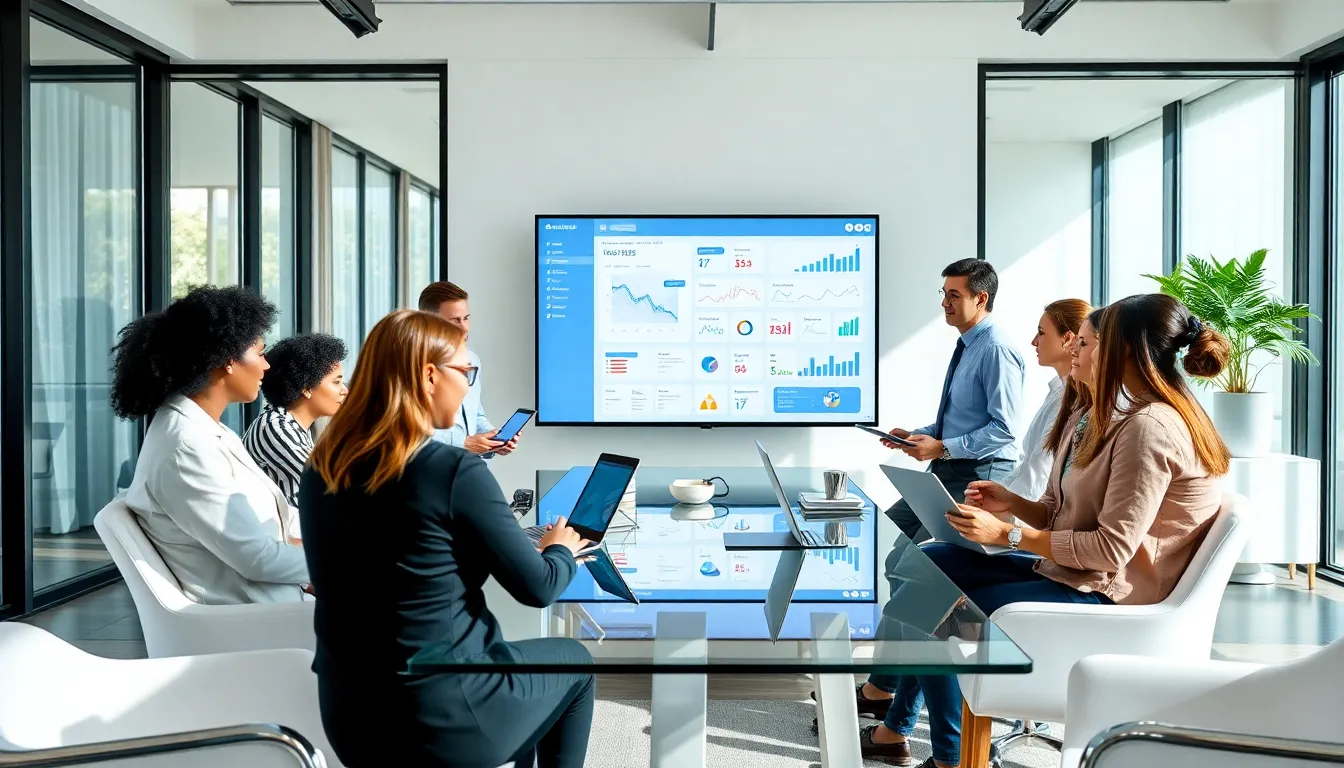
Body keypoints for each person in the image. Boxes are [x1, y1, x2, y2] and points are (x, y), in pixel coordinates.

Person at [858, 294, 1232, 768]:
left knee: (936, 607)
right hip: (1072, 571)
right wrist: (1014, 505)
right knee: (926, 568)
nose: (1077, 348)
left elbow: (1109, 551)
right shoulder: (1103, 416)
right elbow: (1061, 511)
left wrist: (1007, 535)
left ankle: (951, 754)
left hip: (1109, 596)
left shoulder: (1149, 428)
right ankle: (914, 728)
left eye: (1089, 342)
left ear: (1122, 352)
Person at [300, 309, 594, 768]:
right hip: (440, 715)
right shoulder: (454, 471)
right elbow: (538, 588)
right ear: (430, 375)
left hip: (350, 716)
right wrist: (560, 548)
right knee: (575, 664)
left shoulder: (323, 467)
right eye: (466, 371)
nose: (469, 385)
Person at [111, 286, 308, 605]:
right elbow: (258, 559)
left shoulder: (204, 429)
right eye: (260, 352)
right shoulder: (187, 446)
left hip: (278, 601)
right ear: (229, 359)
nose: (267, 366)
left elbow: (276, 521)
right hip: (259, 620)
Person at [882, 259, 1026, 542]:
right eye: (944, 294)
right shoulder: (968, 345)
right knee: (886, 535)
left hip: (978, 477)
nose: (945, 303)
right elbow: (964, 417)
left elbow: (1004, 428)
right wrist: (918, 437)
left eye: (954, 295)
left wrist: (942, 448)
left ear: (981, 298)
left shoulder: (995, 350)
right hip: (947, 471)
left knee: (917, 562)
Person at [997, 298, 1090, 502]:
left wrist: (1004, 512)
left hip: (1036, 517)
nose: (1034, 341)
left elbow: (1039, 475)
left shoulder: (1074, 401)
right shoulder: (1057, 392)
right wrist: (995, 492)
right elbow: (1028, 466)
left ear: (1067, 339)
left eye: (1041, 332)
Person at [242, 333, 348, 508]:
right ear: (306, 388)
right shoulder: (275, 428)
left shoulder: (292, 426)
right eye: (336, 382)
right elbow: (333, 484)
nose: (345, 390)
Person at [417, 280, 518, 458]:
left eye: (466, 318)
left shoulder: (472, 360)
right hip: (427, 471)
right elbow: (401, 428)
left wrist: (493, 439)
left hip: (467, 469)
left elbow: (475, 415)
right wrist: (463, 443)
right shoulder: (409, 365)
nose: (464, 328)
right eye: (455, 320)